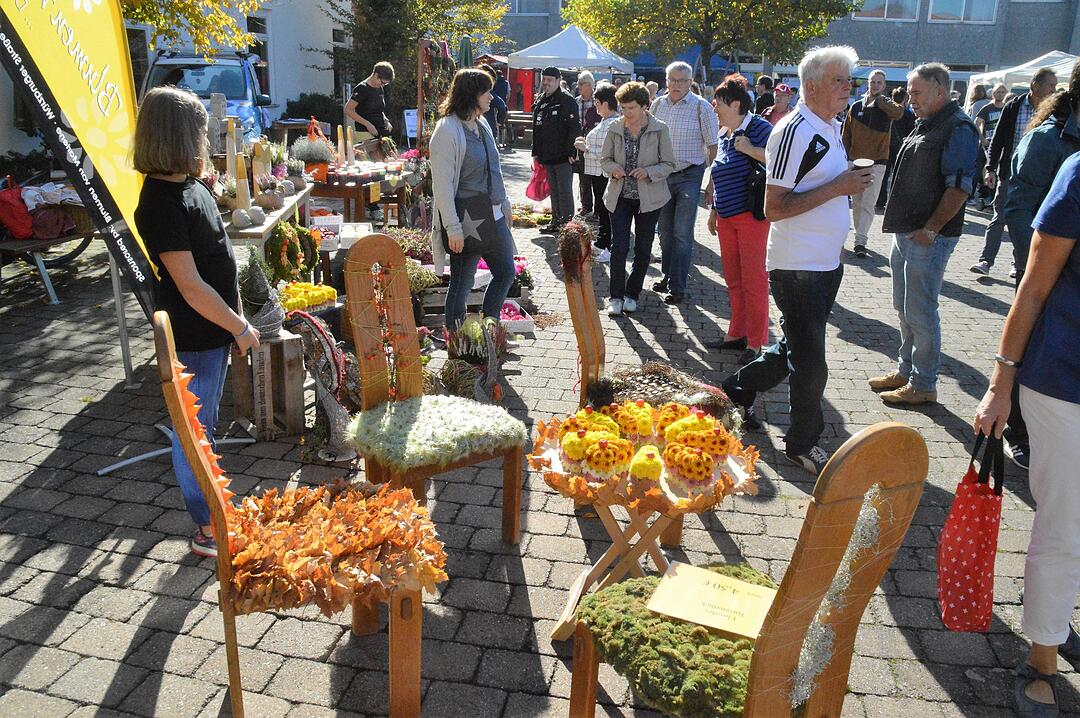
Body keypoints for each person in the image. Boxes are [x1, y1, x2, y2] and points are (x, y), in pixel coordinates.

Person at [721, 45, 874, 475]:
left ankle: (735, 389)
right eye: (839, 80)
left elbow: (821, 187)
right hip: (797, 267)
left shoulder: (831, 125)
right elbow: (774, 207)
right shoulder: (793, 131)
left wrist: (841, 195)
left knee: (793, 347)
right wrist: (840, 186)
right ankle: (802, 443)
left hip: (825, 263)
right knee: (811, 364)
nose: (848, 87)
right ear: (811, 85)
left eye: (849, 80)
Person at [973, 151, 1080, 718]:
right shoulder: (1078, 172)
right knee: (1064, 528)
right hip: (1065, 383)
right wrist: (1000, 383)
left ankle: (1055, 614)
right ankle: (1042, 659)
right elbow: (1034, 287)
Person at [133, 87, 260, 558]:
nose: (206, 140)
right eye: (201, 132)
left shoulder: (193, 186)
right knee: (194, 433)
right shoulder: (159, 204)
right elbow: (190, 287)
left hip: (214, 331)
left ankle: (213, 510)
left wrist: (236, 320)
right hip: (193, 335)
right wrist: (239, 328)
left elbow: (218, 258)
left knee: (203, 425)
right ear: (178, 137)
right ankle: (207, 527)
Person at [872, 63, 980, 406]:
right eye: (909, 92)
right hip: (908, 232)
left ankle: (923, 382)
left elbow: (960, 187)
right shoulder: (928, 121)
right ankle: (906, 371)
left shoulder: (958, 127)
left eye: (916, 93)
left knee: (920, 310)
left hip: (928, 236)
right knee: (904, 307)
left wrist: (931, 230)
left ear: (940, 90)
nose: (910, 99)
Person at [990, 60, 1080, 470]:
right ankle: (1019, 431)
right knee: (1026, 344)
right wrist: (1044, 262)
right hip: (1043, 269)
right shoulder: (1047, 140)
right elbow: (1018, 205)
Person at [429, 69, 516, 330]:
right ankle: (456, 341)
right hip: (467, 217)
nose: (491, 96)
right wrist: (453, 228)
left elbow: (494, 168)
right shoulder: (447, 130)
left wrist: (504, 201)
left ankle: (490, 329)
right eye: (486, 91)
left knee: (506, 272)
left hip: (493, 213)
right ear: (471, 94)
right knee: (462, 284)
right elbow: (442, 185)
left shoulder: (482, 123)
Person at [704, 74, 773, 364]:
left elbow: (780, 162)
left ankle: (756, 343)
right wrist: (714, 209)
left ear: (735, 104)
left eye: (718, 103)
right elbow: (719, 172)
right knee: (733, 277)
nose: (714, 107)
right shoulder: (725, 132)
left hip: (750, 216)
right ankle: (737, 333)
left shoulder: (760, 128)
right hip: (726, 216)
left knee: (754, 280)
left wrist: (751, 150)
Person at [974, 67, 1059, 276]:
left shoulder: (1055, 111)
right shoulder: (1014, 106)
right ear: (1035, 86)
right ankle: (986, 260)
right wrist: (990, 168)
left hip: (1038, 178)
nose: (1054, 90)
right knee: (999, 217)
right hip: (1009, 174)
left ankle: (1019, 262)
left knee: (1027, 220)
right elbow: (998, 139)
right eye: (1051, 85)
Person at [600, 81, 675, 315]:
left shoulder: (660, 129)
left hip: (649, 199)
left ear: (644, 106)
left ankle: (632, 294)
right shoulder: (614, 127)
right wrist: (613, 169)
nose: (627, 113)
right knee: (619, 246)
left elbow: (669, 164)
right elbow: (604, 160)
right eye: (623, 108)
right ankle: (616, 296)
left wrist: (649, 172)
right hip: (620, 195)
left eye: (631, 108)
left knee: (643, 248)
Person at [650, 61, 720, 304]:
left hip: (690, 175)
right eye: (672, 80)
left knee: (682, 232)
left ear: (691, 82)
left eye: (681, 80)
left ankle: (677, 286)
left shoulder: (702, 107)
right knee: (665, 231)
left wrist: (711, 183)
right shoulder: (657, 105)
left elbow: (714, 147)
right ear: (666, 80)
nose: (676, 84)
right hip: (662, 176)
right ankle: (667, 276)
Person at [842, 69, 904, 257]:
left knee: (869, 203)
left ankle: (860, 241)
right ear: (867, 83)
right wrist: (844, 157)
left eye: (879, 82)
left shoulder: (886, 106)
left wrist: (881, 101)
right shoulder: (856, 107)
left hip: (877, 162)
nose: (875, 85)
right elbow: (846, 134)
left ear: (884, 86)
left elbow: (899, 113)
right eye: (872, 82)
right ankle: (858, 235)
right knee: (857, 203)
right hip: (855, 160)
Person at [574, 82, 620, 262]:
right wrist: (585, 143)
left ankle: (609, 246)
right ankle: (602, 242)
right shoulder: (607, 121)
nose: (595, 105)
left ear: (606, 103)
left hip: (606, 174)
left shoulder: (613, 123)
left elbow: (607, 153)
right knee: (602, 210)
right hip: (599, 173)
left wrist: (585, 148)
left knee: (607, 211)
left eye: (597, 102)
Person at [532, 66, 579, 232]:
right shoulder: (541, 100)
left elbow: (574, 127)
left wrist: (572, 151)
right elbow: (537, 128)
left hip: (563, 155)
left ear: (558, 81)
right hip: (546, 154)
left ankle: (567, 225)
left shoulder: (567, 100)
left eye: (549, 80)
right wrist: (535, 153)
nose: (546, 83)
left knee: (564, 191)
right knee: (553, 190)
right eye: (544, 79)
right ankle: (556, 221)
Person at [970, 83, 1009, 212]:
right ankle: (971, 195)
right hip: (987, 144)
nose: (1000, 94)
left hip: (1001, 144)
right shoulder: (987, 108)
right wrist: (982, 139)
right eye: (998, 92)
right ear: (993, 94)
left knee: (997, 171)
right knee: (979, 169)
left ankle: (992, 198)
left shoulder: (1007, 108)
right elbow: (976, 124)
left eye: (1003, 92)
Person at [878, 86, 916, 209]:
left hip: (886, 145)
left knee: (884, 174)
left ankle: (880, 201)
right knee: (898, 175)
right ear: (905, 99)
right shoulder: (908, 114)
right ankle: (894, 202)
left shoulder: (887, 111)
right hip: (901, 147)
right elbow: (911, 132)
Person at [573, 72, 601, 217]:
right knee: (583, 177)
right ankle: (586, 206)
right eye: (578, 83)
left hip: (596, 144)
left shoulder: (598, 101)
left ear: (590, 85)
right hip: (580, 144)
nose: (578, 86)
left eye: (581, 83)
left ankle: (598, 210)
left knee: (596, 178)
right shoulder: (575, 102)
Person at [345, 61, 394, 140]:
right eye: (382, 82)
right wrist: (367, 124)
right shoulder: (362, 88)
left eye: (385, 84)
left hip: (380, 130)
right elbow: (348, 109)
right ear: (376, 75)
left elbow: (378, 109)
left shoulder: (380, 88)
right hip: (365, 132)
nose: (382, 85)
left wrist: (386, 120)